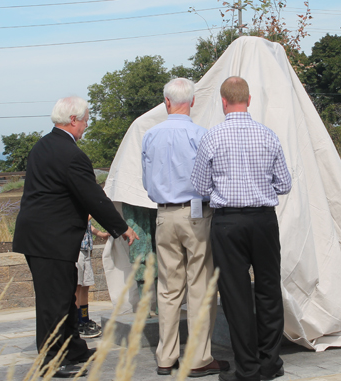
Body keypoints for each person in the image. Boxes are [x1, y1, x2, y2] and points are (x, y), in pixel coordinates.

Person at [13, 96, 139, 378]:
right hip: (51, 239)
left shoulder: (42, 146)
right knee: (54, 303)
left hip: (40, 236)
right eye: (85, 121)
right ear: (73, 120)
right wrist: (121, 228)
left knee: (64, 297)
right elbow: (93, 197)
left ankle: (74, 350)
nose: (86, 126)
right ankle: (52, 362)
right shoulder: (72, 155)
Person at [191, 76, 292, 381]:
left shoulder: (212, 137)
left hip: (228, 222)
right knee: (268, 290)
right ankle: (270, 363)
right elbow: (285, 183)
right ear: (249, 100)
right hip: (263, 220)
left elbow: (198, 185)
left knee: (235, 295)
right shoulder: (268, 135)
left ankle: (246, 368)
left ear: (223, 102)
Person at [141, 78, 229, 377]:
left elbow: (145, 180)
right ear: (192, 102)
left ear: (166, 102)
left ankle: (166, 357)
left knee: (168, 289)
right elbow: (212, 178)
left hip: (164, 214)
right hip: (196, 215)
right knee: (200, 287)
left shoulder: (150, 135)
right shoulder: (200, 135)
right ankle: (197, 358)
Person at [76, 216, 110, 339]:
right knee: (77, 287)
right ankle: (76, 323)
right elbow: (78, 218)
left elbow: (87, 223)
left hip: (86, 249)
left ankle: (84, 319)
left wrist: (101, 234)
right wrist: (95, 209)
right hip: (76, 250)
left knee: (85, 286)